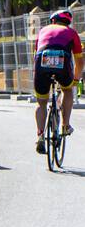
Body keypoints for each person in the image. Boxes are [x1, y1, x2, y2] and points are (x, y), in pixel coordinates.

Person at [33, 9, 84, 154]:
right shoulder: (72, 32)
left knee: (41, 102)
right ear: (68, 22)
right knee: (67, 90)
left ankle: (40, 135)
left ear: (53, 21)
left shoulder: (43, 30)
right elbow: (79, 61)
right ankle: (65, 125)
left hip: (42, 61)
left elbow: (35, 54)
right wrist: (75, 80)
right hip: (63, 62)